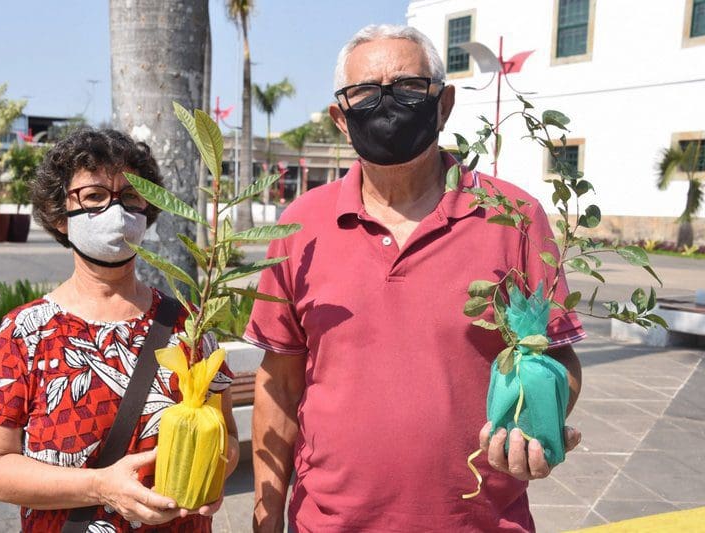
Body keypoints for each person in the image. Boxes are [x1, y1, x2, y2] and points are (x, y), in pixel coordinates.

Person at [245, 25, 585, 532]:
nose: (386, 105)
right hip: (328, 523)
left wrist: (535, 427)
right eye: (364, 93)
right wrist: (265, 517)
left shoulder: (513, 216)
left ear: (443, 104)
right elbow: (279, 384)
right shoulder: (300, 227)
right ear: (341, 117)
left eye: (407, 88)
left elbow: (557, 357)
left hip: (479, 522)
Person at [0, 128, 239, 533]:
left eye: (130, 196)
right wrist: (99, 487)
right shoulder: (27, 332)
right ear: (60, 217)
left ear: (147, 211)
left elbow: (228, 438)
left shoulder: (189, 325)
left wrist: (211, 474)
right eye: (94, 196)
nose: (117, 210)